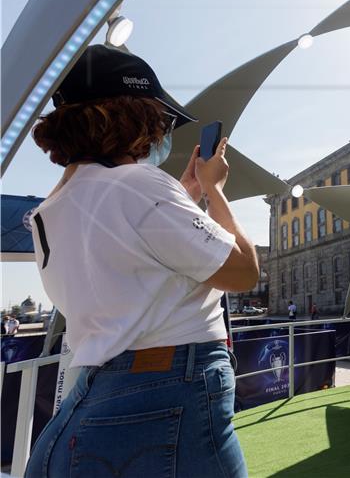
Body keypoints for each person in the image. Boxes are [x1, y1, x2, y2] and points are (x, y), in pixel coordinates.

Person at [25, 45, 258, 478]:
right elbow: (244, 270)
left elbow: (129, 259)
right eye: (162, 120)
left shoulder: (50, 210)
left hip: (95, 398)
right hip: (172, 390)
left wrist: (186, 198)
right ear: (132, 115)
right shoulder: (138, 184)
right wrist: (216, 189)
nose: (161, 133)